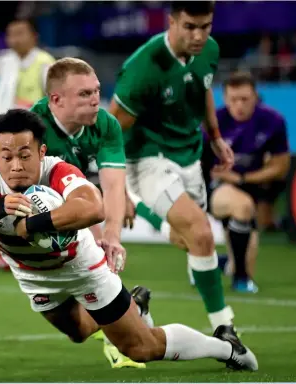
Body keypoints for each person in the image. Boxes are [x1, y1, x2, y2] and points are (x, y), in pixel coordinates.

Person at [0, 109, 258, 372]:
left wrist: (33, 223)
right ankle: (135, 307)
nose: (16, 164)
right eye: (6, 155)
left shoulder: (58, 170)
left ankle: (227, 348)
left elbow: (94, 207)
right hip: (32, 275)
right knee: (78, 332)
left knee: (140, 349)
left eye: (25, 154)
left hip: (83, 267)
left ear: (42, 151)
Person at [0, 58, 142, 368]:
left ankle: (126, 333)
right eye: (86, 93)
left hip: (76, 196)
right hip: (39, 207)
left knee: (100, 251)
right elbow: (7, 161)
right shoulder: (34, 124)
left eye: (97, 92)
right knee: (77, 330)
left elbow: (112, 187)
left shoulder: (105, 124)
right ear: (57, 99)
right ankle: (126, 314)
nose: (95, 100)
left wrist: (113, 234)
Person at [108, 1, 242, 340]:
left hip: (189, 156)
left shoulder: (209, 50)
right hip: (148, 158)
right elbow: (112, 132)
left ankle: (136, 304)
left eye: (205, 26)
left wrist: (214, 137)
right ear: (172, 22)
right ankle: (224, 327)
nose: (199, 36)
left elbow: (204, 88)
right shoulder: (144, 67)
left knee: (196, 242)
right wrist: (118, 191)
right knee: (201, 233)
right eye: (190, 27)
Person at [202, 71, 291, 293]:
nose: (239, 105)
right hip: (215, 190)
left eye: (245, 99)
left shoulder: (273, 121)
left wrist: (242, 178)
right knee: (242, 206)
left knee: (244, 257)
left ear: (255, 97)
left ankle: (219, 265)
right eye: (233, 99)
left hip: (250, 188)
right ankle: (240, 280)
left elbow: (281, 166)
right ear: (225, 98)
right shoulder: (212, 123)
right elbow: (198, 165)